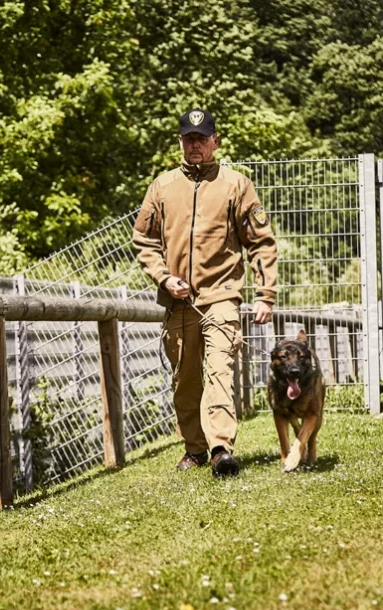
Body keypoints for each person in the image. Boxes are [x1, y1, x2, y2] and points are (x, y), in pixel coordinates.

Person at [133, 109, 278, 477]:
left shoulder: (236, 185)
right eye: (188, 139)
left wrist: (266, 294)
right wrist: (164, 278)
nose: (195, 145)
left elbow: (260, 243)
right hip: (179, 301)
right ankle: (195, 449)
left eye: (201, 138)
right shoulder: (162, 187)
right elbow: (144, 240)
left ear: (216, 141)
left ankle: (220, 449)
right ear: (181, 142)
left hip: (222, 296)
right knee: (185, 380)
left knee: (218, 372)